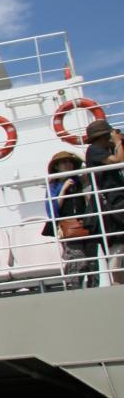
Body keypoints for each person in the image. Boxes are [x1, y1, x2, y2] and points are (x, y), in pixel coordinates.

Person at [42, 151, 99, 289]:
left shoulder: (80, 180)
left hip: (87, 225)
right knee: (77, 260)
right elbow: (52, 211)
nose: (68, 164)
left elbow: (90, 167)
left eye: (70, 161)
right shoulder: (53, 186)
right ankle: (75, 291)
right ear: (56, 167)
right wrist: (64, 189)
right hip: (69, 228)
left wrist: (75, 153)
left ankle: (94, 290)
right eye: (63, 162)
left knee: (92, 263)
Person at [84, 118, 124, 284]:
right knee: (117, 246)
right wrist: (118, 142)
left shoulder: (104, 149)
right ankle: (117, 285)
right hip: (110, 207)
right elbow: (118, 161)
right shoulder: (94, 150)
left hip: (116, 202)